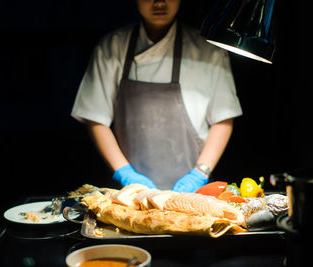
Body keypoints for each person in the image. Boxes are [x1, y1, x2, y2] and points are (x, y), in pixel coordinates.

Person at [71, 0, 242, 192]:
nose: (159, 2)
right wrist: (124, 172)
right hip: (128, 194)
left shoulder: (207, 50)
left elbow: (223, 118)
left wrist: (199, 174)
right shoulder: (112, 47)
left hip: (194, 193)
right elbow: (95, 118)